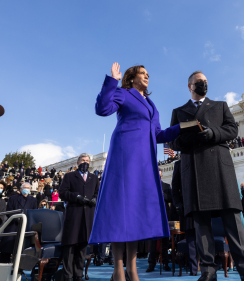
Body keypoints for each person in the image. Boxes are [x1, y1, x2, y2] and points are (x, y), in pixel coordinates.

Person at [89, 63, 180, 281]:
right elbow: (102, 109)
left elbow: (158, 134)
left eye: (149, 74)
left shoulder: (152, 105)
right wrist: (112, 81)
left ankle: (132, 268)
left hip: (145, 160)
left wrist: (182, 127)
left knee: (136, 211)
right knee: (122, 209)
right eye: (143, 73)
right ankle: (118, 269)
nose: (147, 76)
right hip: (125, 155)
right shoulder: (124, 93)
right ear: (131, 77)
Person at [169, 70, 244, 281]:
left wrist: (213, 133)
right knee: (201, 224)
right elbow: (172, 142)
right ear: (190, 85)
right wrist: (189, 138)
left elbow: (232, 130)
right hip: (194, 170)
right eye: (200, 82)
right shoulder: (179, 111)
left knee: (233, 221)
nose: (204, 85)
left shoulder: (220, 106)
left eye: (206, 82)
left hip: (219, 167)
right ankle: (208, 270)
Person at [57, 153, 100, 281]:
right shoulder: (69, 176)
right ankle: (67, 275)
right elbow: (62, 193)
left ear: (90, 163)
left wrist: (95, 199)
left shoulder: (94, 177)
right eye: (82, 160)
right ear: (77, 163)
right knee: (69, 245)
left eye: (87, 160)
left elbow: (98, 193)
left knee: (82, 246)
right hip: (74, 214)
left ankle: (78, 275)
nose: (85, 162)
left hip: (88, 216)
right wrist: (76, 197)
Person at [0, 182, 37, 263]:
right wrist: (17, 219)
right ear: (21, 189)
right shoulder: (13, 198)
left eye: (28, 188)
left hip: (25, 226)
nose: (26, 189)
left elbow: (34, 212)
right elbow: (9, 211)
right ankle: (4, 263)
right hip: (13, 225)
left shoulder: (33, 200)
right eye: (25, 187)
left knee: (21, 247)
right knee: (7, 247)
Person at [171, 160, 198, 276]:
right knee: (191, 239)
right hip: (186, 206)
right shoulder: (179, 164)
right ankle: (194, 269)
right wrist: (177, 203)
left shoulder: (201, 158)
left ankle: (207, 266)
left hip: (204, 205)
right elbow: (175, 187)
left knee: (205, 237)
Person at [147, 170, 173, 272]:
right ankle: (151, 264)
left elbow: (171, 198)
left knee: (165, 243)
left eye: (159, 174)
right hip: (153, 217)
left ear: (161, 176)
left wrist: (163, 195)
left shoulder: (166, 186)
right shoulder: (150, 187)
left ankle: (165, 263)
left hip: (165, 217)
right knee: (152, 242)